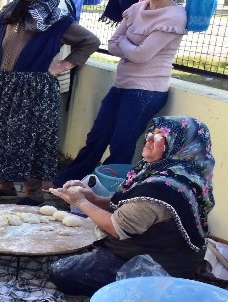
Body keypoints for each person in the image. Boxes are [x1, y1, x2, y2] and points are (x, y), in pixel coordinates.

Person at [48, 116, 215, 296]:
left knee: (61, 272)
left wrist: (80, 202)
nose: (149, 139)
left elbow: (116, 227)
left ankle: (145, 292)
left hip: (160, 266)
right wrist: (94, 198)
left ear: (179, 146)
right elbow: (127, 202)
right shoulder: (164, 169)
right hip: (149, 248)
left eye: (160, 137)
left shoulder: (164, 187)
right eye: (151, 133)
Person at [0, 0, 99, 206]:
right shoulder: (12, 11)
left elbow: (90, 41)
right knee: (0, 135)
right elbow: (0, 26)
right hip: (0, 83)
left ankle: (33, 193)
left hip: (32, 90)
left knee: (29, 139)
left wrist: (63, 65)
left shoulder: (57, 20)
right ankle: (5, 186)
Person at [52, 0, 186, 188]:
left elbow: (141, 56)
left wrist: (124, 42)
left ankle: (109, 192)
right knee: (96, 138)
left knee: (121, 144)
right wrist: (130, 47)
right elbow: (112, 45)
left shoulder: (174, 16)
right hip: (121, 85)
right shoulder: (136, 8)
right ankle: (69, 182)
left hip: (147, 91)